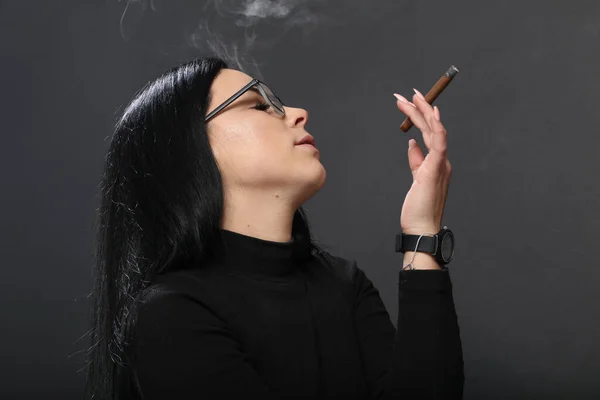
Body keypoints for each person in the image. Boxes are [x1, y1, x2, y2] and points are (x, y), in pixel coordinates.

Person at [83, 56, 464, 399]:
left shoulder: (343, 283)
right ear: (187, 149)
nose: (298, 113)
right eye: (258, 105)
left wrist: (423, 228)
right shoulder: (169, 315)